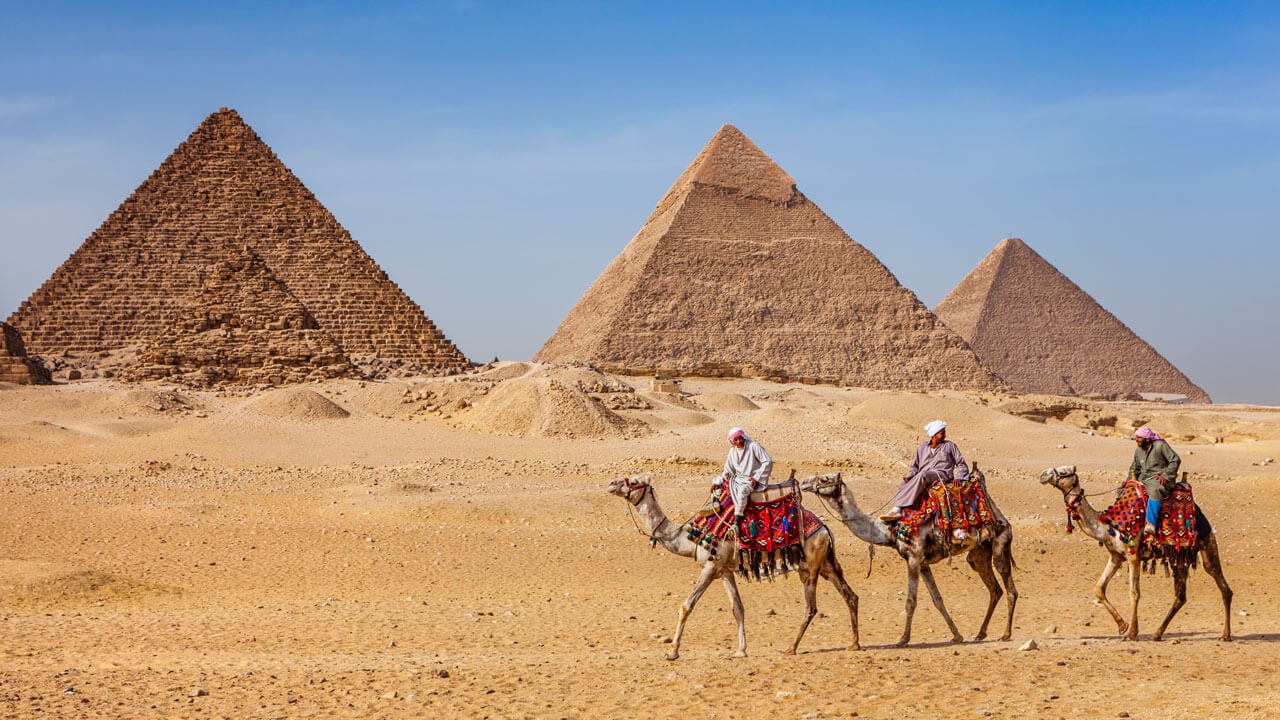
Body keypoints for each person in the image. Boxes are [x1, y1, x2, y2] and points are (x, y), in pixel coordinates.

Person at [880, 420, 970, 533]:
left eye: (944, 432)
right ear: (933, 435)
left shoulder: (950, 446)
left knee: (923, 475)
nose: (944, 435)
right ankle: (902, 512)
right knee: (904, 483)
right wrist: (911, 476)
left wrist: (960, 477)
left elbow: (961, 463)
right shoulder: (922, 447)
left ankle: (897, 508)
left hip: (941, 475)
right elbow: (914, 466)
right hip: (922, 476)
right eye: (941, 433)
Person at [713, 427, 774, 526]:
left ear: (744, 437)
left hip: (752, 480)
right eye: (736, 440)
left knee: (742, 491)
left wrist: (756, 477)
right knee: (719, 486)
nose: (739, 441)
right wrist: (718, 482)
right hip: (738, 479)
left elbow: (768, 461)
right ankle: (714, 507)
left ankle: (737, 519)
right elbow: (728, 470)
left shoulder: (753, 447)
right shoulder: (732, 452)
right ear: (732, 441)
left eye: (740, 438)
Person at [1130, 425, 1181, 535]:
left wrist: (1166, 476)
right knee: (1124, 490)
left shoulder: (1160, 446)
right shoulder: (1139, 451)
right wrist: (1128, 481)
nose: (1136, 440)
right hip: (1144, 479)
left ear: (1147, 439)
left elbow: (1175, 460)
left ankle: (1150, 524)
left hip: (1160, 480)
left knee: (1156, 489)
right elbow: (1135, 468)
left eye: (1139, 438)